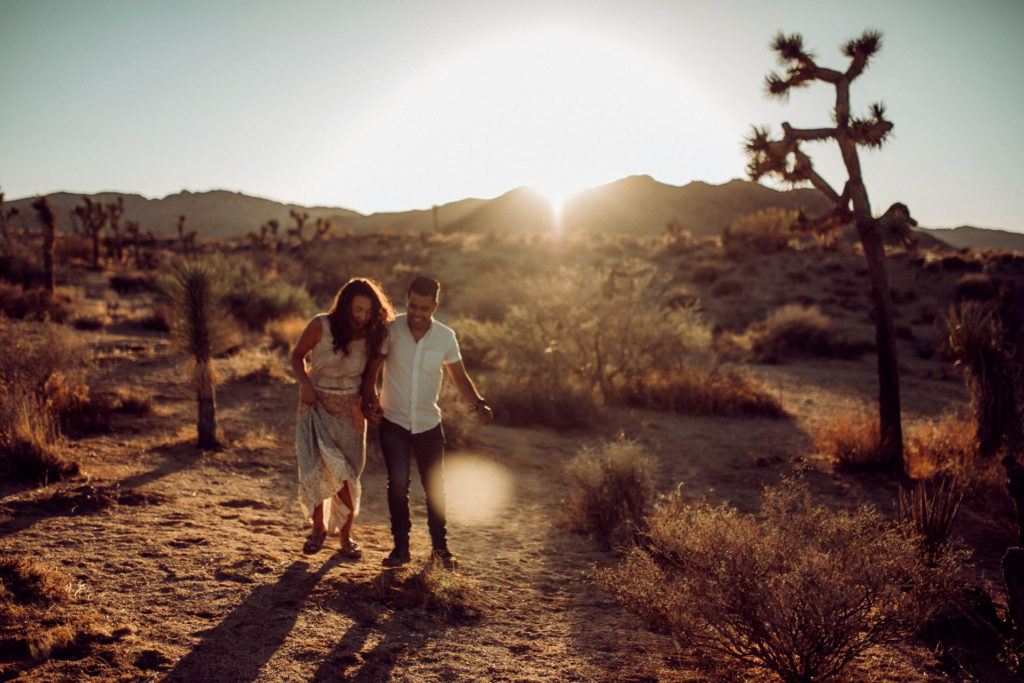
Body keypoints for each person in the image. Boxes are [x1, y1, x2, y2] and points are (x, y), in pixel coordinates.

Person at [362, 276, 493, 569]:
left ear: (435, 306)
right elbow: (372, 371)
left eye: (424, 308)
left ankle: (440, 550)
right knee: (397, 484)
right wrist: (369, 401)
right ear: (406, 301)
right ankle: (401, 549)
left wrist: (478, 403)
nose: (418, 314)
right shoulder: (391, 330)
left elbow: (460, 378)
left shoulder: (446, 337)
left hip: (428, 425)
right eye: (412, 306)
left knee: (435, 487)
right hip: (393, 421)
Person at [291, 277, 394, 557]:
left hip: (350, 409)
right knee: (314, 469)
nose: (362, 317)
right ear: (345, 305)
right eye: (357, 310)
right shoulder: (320, 325)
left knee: (347, 474)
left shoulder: (375, 335)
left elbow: (370, 380)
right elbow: (296, 356)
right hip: (315, 404)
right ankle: (318, 529)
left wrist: (371, 406)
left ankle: (345, 536)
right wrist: (306, 385)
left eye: (368, 312)